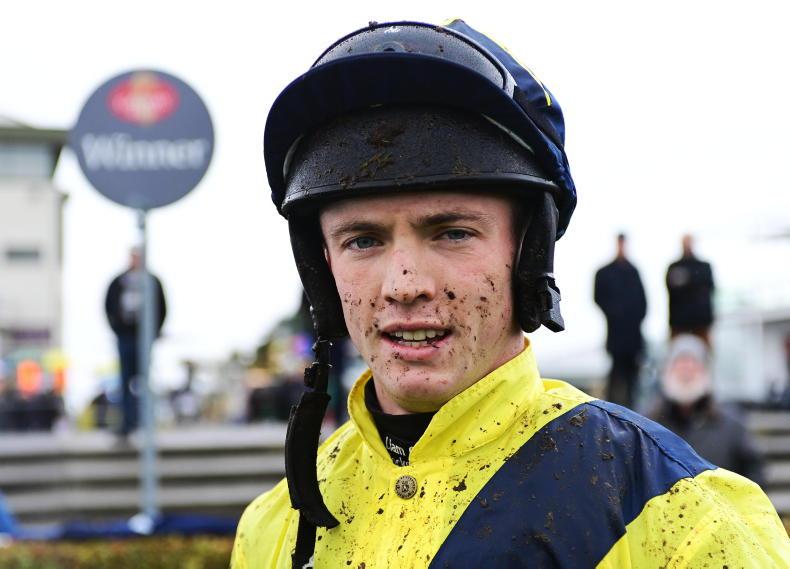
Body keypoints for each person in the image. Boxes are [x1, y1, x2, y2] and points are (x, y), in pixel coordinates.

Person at [232, 20, 789, 569]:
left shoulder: (683, 517)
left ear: (527, 255)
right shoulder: (273, 527)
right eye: (362, 241)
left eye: (452, 233)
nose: (404, 285)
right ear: (323, 268)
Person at [648, 334, 766, 486]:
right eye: (680, 364)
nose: (686, 372)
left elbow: (754, 474)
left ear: (706, 372)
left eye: (693, 364)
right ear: (667, 371)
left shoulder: (731, 426)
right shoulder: (647, 424)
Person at [104, 247, 166, 436]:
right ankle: (127, 422)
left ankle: (146, 420)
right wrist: (117, 329)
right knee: (125, 380)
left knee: (145, 380)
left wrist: (154, 331)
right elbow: (109, 306)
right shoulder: (119, 281)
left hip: (144, 338)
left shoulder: (152, 281)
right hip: (125, 337)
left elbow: (162, 307)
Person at [593, 233, 647, 408]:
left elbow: (643, 303)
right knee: (616, 376)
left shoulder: (633, 271)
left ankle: (632, 409)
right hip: (616, 334)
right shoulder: (606, 272)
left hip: (633, 336)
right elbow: (599, 297)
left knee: (632, 379)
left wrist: (633, 319)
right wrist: (615, 314)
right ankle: (612, 409)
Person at [666, 234, 715, 343]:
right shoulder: (674, 267)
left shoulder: (703, 267)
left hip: (700, 323)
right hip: (679, 323)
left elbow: (709, 288)